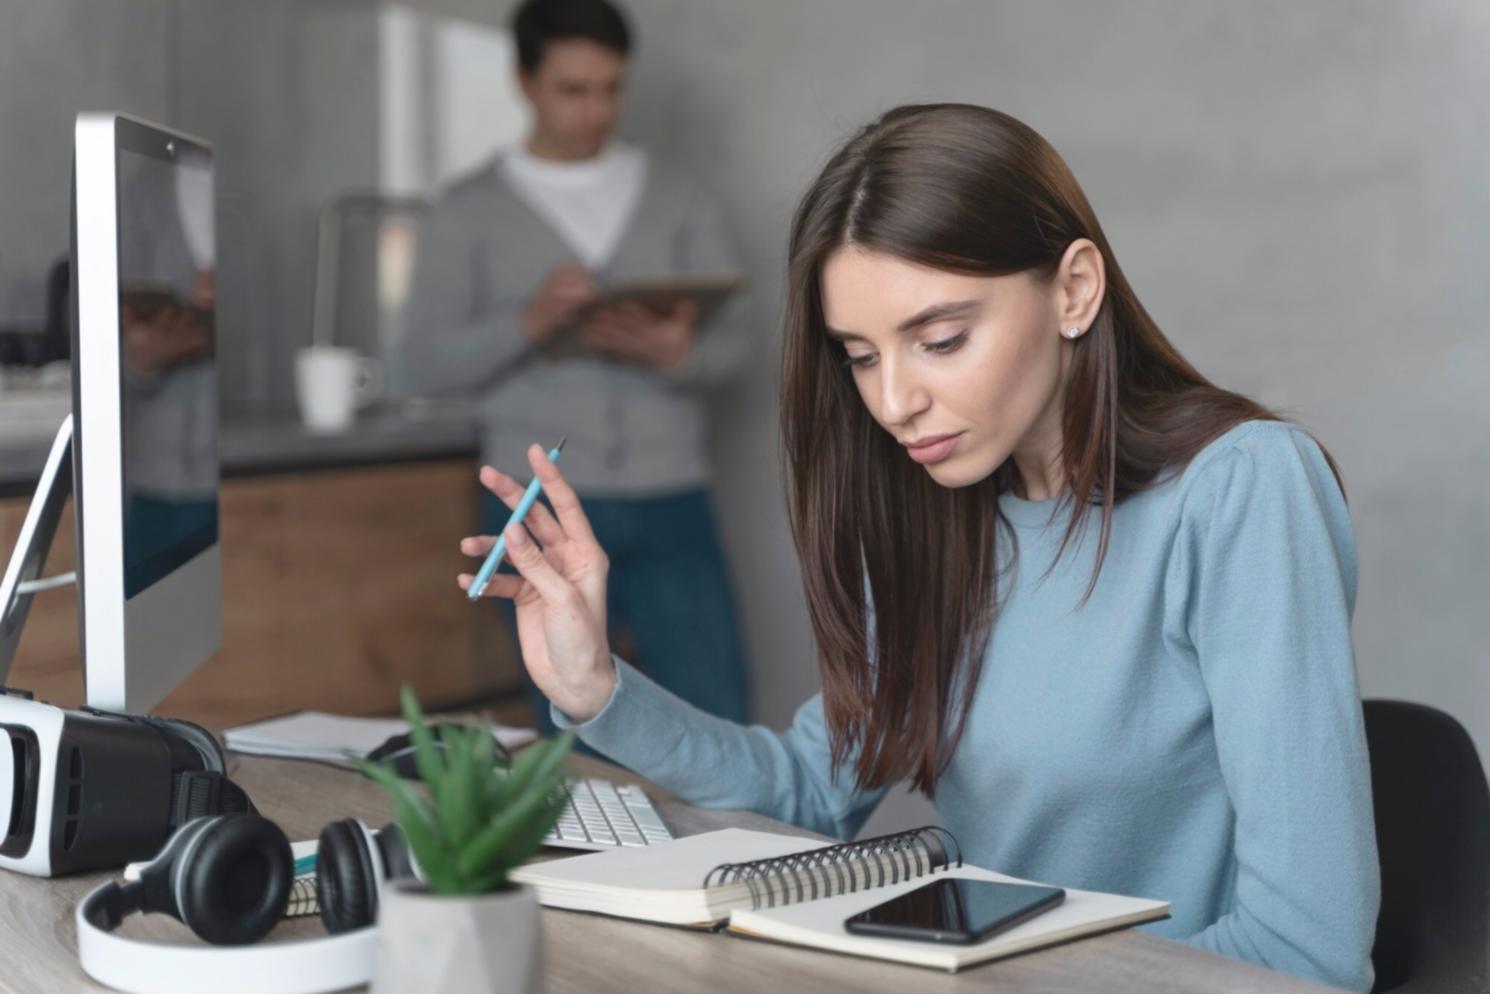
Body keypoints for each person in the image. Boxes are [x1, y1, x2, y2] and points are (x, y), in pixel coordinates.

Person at [458, 104, 1380, 992]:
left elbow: (1304, 951)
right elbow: (811, 791)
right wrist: (594, 689)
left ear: (1074, 290)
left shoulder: (1242, 490)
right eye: (860, 356)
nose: (894, 401)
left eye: (939, 339)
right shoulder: (937, 517)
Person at [402, 0, 752, 725]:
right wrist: (528, 321)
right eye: (573, 90)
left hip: (672, 496)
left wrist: (677, 353)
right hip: (538, 507)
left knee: (717, 713)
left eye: (610, 88)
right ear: (525, 82)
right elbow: (418, 366)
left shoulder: (681, 197)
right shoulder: (465, 211)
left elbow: (742, 347)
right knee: (575, 729)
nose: (596, 110)